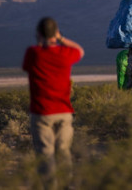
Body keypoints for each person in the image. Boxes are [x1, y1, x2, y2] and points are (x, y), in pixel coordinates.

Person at [22, 17, 84, 189]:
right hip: (64, 112)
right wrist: (61, 39)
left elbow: (26, 66)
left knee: (45, 154)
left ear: (38, 34)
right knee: (63, 151)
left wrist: (42, 42)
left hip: (41, 113)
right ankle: (67, 185)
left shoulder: (33, 53)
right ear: (55, 33)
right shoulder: (66, 54)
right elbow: (79, 50)